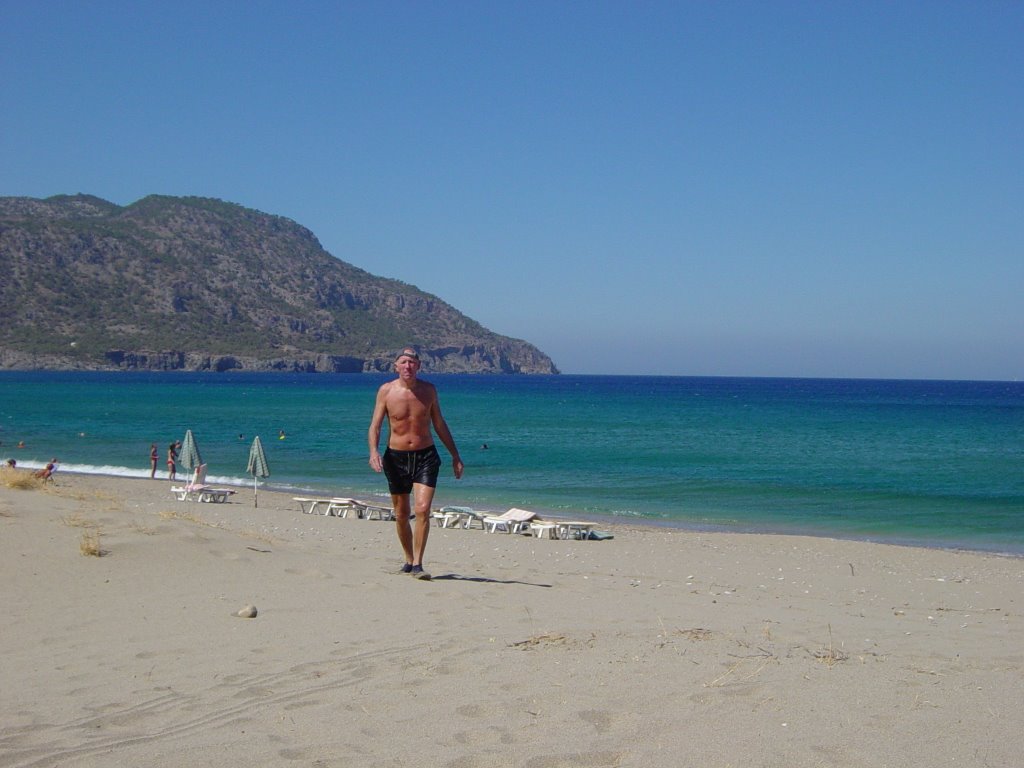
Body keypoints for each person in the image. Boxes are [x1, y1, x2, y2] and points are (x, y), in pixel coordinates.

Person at [368, 347, 463, 580]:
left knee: (422, 510)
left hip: (426, 456)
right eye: (403, 362)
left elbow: (439, 423)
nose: (408, 366)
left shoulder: (429, 390)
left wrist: (455, 456)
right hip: (396, 457)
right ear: (396, 366)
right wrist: (373, 452)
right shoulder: (386, 391)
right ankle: (409, 560)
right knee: (401, 514)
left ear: (418, 366)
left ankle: (419, 564)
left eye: (412, 362)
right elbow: (376, 425)